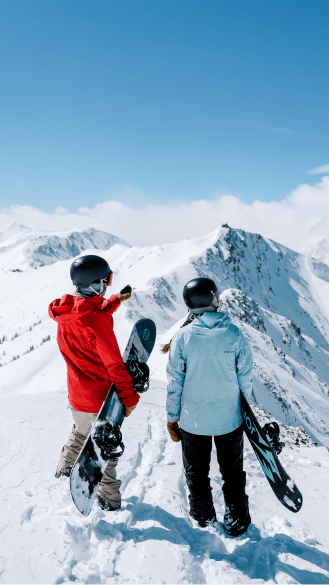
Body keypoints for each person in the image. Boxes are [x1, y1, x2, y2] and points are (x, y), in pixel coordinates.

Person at [163, 277, 253, 536]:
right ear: (211, 300)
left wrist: (172, 418)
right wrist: (242, 409)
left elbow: (174, 382)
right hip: (230, 419)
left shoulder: (183, 337)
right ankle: (238, 521)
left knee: (197, 473)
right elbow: (245, 377)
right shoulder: (234, 334)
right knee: (233, 474)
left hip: (194, 421)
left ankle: (203, 519)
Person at [49, 254, 139, 511]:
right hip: (100, 399)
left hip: (77, 395)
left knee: (80, 432)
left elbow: (89, 314)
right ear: (95, 283)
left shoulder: (67, 312)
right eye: (106, 281)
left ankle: (64, 471)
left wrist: (114, 301)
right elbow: (113, 364)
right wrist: (129, 397)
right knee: (103, 452)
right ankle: (109, 503)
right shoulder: (96, 319)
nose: (108, 285)